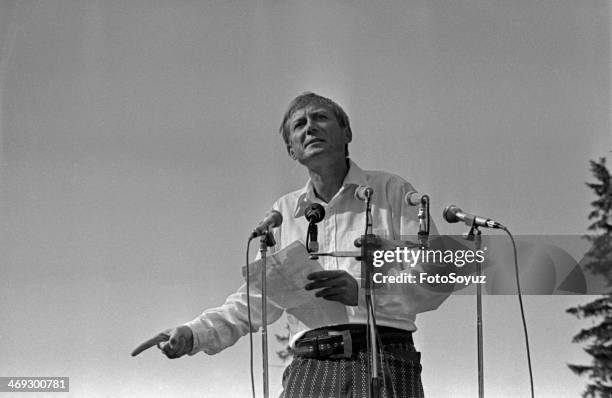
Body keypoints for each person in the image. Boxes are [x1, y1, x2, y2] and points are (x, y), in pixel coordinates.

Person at [133, 92, 449, 397]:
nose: (309, 127)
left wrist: (364, 291)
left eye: (320, 118)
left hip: (385, 357)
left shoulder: (391, 192)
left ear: (347, 132)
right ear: (292, 151)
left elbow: (438, 275)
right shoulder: (283, 213)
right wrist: (194, 333)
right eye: (299, 125)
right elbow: (257, 299)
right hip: (310, 368)